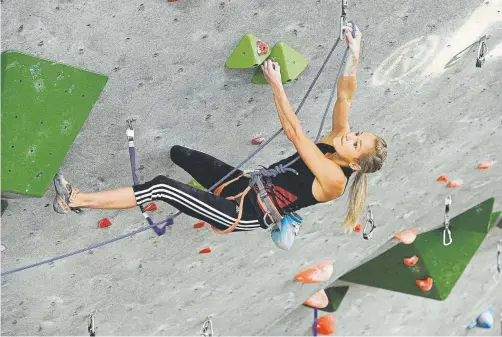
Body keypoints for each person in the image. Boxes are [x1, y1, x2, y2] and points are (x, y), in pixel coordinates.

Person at [53, 23, 387, 233]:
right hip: (244, 186)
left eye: (357, 144)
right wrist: (354, 51)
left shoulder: (334, 181)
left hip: (241, 213)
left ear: (354, 163)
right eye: (359, 133)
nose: (351, 136)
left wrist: (276, 85)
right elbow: (345, 94)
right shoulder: (337, 139)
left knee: (161, 187)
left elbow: (296, 135)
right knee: (180, 155)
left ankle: (75, 200)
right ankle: (193, 193)